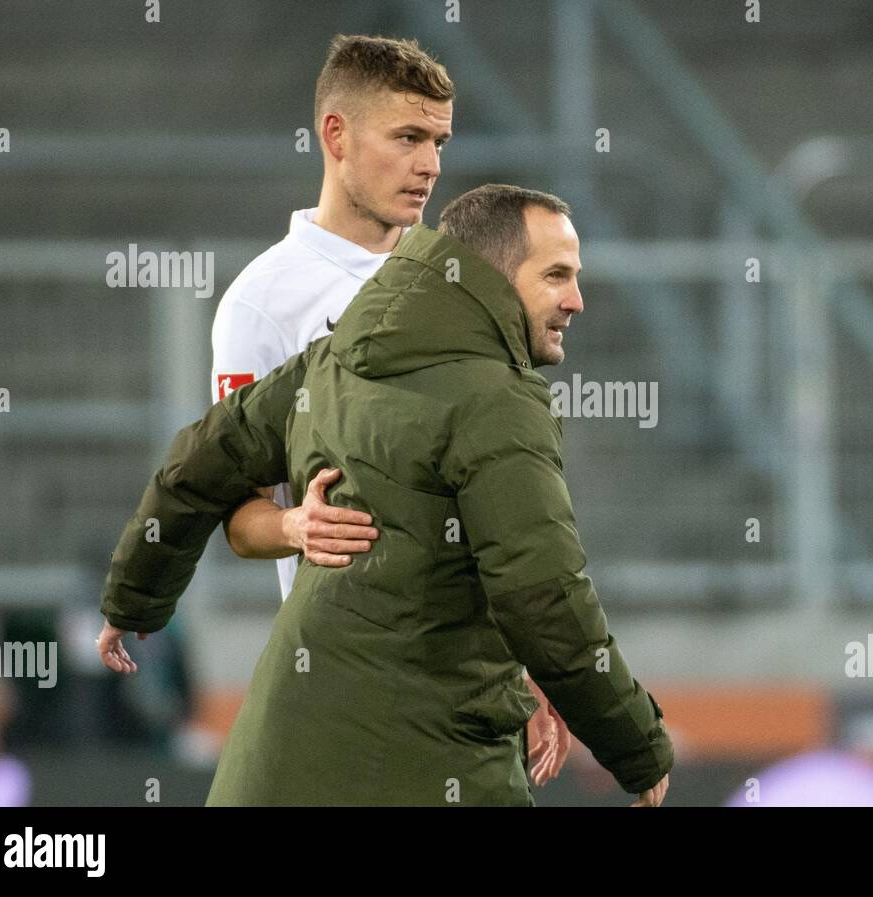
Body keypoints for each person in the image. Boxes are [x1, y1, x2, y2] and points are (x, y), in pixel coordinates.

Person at [97, 185, 673, 806]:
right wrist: (636, 747)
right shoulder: (498, 400)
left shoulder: (332, 362)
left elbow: (199, 458)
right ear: (494, 276)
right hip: (426, 761)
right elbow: (543, 599)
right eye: (556, 275)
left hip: (271, 764)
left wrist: (134, 597)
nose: (576, 301)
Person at [207, 33, 569, 781]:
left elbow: (494, 507)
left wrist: (522, 666)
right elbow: (233, 515)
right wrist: (295, 525)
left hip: (464, 699)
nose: (430, 163)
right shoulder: (262, 303)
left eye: (438, 140)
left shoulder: (462, 278)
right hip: (346, 696)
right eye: (407, 137)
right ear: (337, 135)